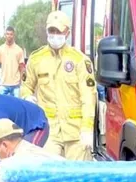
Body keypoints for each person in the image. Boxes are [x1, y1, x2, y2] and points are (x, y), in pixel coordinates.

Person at [21, 10, 96, 161]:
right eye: (51, 30)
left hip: (76, 133)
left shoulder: (80, 60)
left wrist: (87, 129)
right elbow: (25, 85)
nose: (55, 34)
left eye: (59, 31)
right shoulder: (36, 59)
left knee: (77, 180)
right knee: (49, 177)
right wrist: (27, 96)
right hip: (49, 131)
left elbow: (89, 97)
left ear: (67, 33)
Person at [0, 26, 25, 98]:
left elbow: (21, 67)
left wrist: (21, 82)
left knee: (16, 107)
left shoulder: (19, 50)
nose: (9, 36)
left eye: (11, 34)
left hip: (15, 85)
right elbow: (0, 64)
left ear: (13, 35)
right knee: (0, 104)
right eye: (7, 34)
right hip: (3, 84)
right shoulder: (0, 49)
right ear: (5, 35)